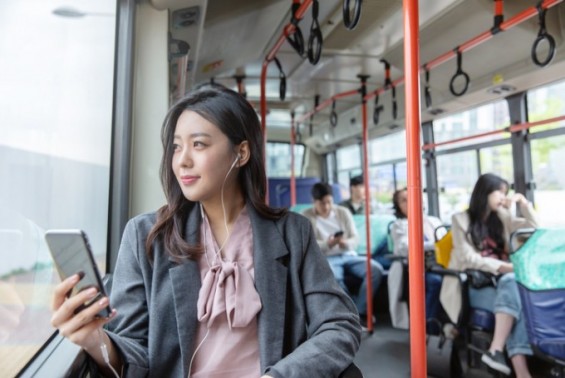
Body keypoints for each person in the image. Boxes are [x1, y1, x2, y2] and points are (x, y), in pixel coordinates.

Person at [50, 86, 361, 377]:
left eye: (198, 144)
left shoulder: (294, 233)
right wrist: (94, 339)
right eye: (176, 147)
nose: (182, 160)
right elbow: (135, 355)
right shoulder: (146, 236)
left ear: (241, 153)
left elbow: (339, 325)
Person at [439, 173, 538, 377]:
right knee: (516, 295)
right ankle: (519, 370)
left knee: (514, 292)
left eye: (505, 193)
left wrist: (523, 203)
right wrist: (504, 267)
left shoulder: (502, 217)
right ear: (485, 193)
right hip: (474, 284)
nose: (503, 197)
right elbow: (468, 258)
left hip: (503, 283)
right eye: (499, 192)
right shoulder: (460, 220)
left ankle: (497, 351)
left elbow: (535, 228)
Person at [302, 182, 384, 327]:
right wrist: (328, 244)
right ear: (314, 202)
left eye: (329, 202)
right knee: (335, 278)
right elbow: (308, 244)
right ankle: (351, 314)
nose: (326, 207)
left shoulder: (342, 212)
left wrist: (345, 243)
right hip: (326, 257)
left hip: (348, 254)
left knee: (375, 270)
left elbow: (355, 238)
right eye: (322, 203)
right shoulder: (306, 216)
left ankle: (359, 311)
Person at [388, 188, 443, 329]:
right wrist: (434, 245)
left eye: (412, 198)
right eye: (404, 200)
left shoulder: (433, 221)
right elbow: (406, 247)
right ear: (398, 206)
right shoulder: (399, 225)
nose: (410, 203)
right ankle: (428, 327)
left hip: (439, 264)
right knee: (435, 282)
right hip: (415, 267)